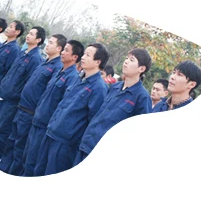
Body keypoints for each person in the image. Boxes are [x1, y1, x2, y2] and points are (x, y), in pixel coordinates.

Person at [0, 34, 66, 176]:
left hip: (30, 113)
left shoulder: (57, 67)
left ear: (59, 48)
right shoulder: (44, 62)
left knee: (19, 148)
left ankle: (12, 173)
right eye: (48, 42)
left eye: (51, 43)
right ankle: (3, 168)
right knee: (11, 141)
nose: (47, 45)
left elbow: (47, 94)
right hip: (21, 107)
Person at [37, 43, 109, 176]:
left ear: (97, 62)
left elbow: (92, 120)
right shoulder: (78, 78)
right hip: (52, 132)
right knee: (38, 171)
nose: (83, 57)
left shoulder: (99, 88)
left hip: (65, 143)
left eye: (88, 55)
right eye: (84, 53)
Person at [76, 49, 152, 166]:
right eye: (126, 58)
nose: (126, 61)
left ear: (141, 69)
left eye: (131, 60)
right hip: (87, 143)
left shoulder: (142, 97)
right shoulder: (114, 87)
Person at [21, 39, 82, 176]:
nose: (63, 52)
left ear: (74, 57)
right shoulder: (59, 71)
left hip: (45, 126)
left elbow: (62, 105)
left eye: (66, 50)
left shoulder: (72, 77)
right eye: (63, 49)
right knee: (25, 158)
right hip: (37, 121)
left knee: (32, 163)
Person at [0, 26, 45, 165]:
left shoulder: (35, 59)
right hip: (3, 95)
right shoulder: (23, 53)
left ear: (38, 40)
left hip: (11, 101)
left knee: (1, 132)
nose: (28, 36)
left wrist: (14, 95)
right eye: (29, 33)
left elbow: (27, 82)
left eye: (32, 34)